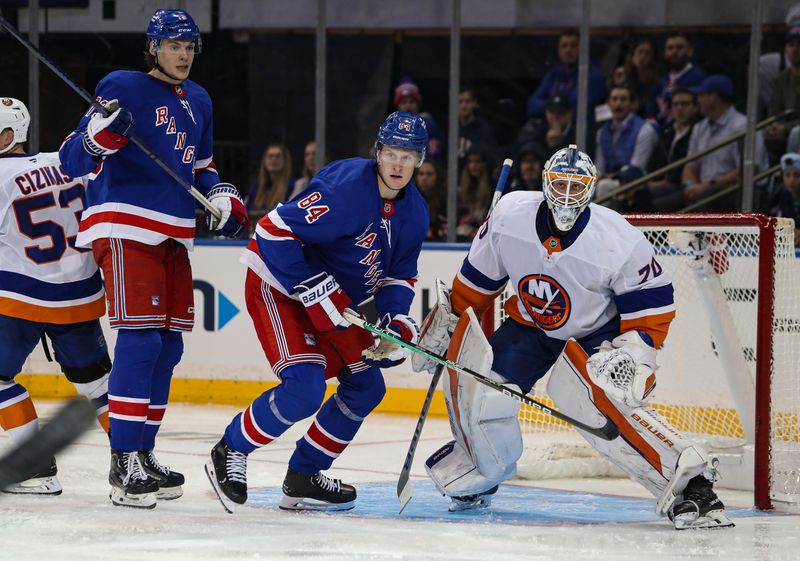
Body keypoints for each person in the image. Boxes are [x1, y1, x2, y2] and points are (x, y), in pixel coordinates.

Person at [413, 144, 733, 530]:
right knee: (478, 384)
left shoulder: (617, 238)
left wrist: (634, 354)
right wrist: (446, 325)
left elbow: (653, 306)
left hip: (596, 330)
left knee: (595, 402)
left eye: (575, 185)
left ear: (593, 188)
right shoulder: (509, 216)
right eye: (559, 184)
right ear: (544, 183)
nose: (566, 194)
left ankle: (692, 486)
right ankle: (482, 471)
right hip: (531, 326)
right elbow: (475, 286)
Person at [58, 9, 250, 509]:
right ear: (152, 47)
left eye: (190, 46)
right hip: (123, 224)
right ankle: (124, 461)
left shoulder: (200, 100)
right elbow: (71, 157)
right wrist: (101, 136)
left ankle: (143, 451)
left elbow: (202, 170)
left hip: (175, 234)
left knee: (168, 349)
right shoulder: (121, 84)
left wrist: (224, 197)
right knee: (141, 341)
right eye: (173, 45)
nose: (183, 54)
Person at [205, 111, 429, 513]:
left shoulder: (415, 213)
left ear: (420, 160)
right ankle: (230, 449)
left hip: (334, 301)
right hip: (278, 284)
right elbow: (272, 231)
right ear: (378, 152)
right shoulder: (345, 189)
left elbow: (399, 276)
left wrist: (395, 321)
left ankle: (304, 474)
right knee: (304, 388)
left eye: (408, 156)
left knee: (367, 387)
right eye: (392, 153)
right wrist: (316, 288)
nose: (398, 164)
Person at [0, 98, 111, 495]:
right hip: (79, 296)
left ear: (9, 135)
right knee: (99, 386)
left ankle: (36, 470)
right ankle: (133, 466)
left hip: (22, 300)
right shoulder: (68, 160)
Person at [681, 75, 768, 211]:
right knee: (659, 203)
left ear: (713, 97)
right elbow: (690, 166)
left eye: (702, 95)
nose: (698, 101)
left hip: (733, 190)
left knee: (709, 198)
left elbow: (750, 168)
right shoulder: (699, 127)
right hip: (703, 188)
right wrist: (690, 186)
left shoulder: (743, 126)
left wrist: (707, 186)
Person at [526, 29, 607, 121]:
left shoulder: (593, 75)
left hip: (581, 130)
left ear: (583, 48)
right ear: (559, 50)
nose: (568, 50)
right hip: (550, 126)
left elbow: (577, 108)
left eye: (573, 46)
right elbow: (532, 104)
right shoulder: (553, 74)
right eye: (564, 46)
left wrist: (551, 107)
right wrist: (555, 108)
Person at [641, 87, 700, 211]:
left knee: (646, 200)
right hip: (661, 183)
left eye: (685, 104)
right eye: (676, 104)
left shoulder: (698, 131)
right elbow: (653, 162)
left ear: (696, 107)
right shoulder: (667, 131)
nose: (679, 108)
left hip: (682, 185)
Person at [647, 33, 706, 128]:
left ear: (690, 51)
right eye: (670, 48)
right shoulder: (661, 81)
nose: (674, 52)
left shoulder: (698, 77)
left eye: (679, 47)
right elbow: (651, 112)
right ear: (665, 53)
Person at [393, 79, 445, 161]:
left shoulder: (427, 122)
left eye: (412, 101)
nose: (408, 105)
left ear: (418, 103)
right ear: (398, 106)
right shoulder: (392, 125)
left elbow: (435, 151)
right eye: (403, 102)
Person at [246, 143, 297, 218]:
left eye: (278, 156)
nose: (273, 159)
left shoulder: (292, 184)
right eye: (270, 156)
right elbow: (246, 209)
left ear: (285, 160)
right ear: (264, 160)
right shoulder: (257, 186)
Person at [760, 152, 800, 247]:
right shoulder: (777, 196)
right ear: (782, 177)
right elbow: (767, 221)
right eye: (787, 175)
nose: (791, 180)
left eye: (797, 175)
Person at [415, 159, 447, 241]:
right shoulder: (410, 199)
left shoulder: (446, 201)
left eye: (429, 174)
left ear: (437, 176)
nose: (424, 178)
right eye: (421, 174)